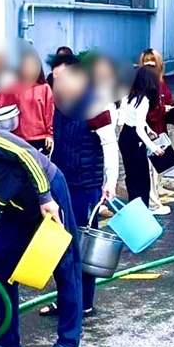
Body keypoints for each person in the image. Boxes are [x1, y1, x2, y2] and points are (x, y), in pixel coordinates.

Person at [0, 126, 86, 347]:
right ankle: (8, 342)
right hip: (14, 206)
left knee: (64, 265)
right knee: (0, 268)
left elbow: (26, 154)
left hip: (45, 192)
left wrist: (46, 197)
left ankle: (69, 345)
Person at [45, 58, 118, 317]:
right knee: (60, 246)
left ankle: (84, 302)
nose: (57, 83)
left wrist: (110, 182)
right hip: (61, 186)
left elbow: (109, 145)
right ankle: (66, 299)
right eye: (54, 79)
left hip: (86, 187)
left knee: (83, 248)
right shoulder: (58, 104)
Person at [0, 48, 54, 152]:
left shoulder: (44, 88)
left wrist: (50, 135)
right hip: (17, 140)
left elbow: (49, 114)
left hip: (39, 140)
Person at [118, 67, 165, 210]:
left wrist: (149, 130)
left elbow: (135, 120)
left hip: (125, 136)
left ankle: (134, 208)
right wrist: (154, 147)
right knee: (142, 179)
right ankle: (142, 210)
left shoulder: (129, 96)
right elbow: (139, 129)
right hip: (135, 139)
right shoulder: (144, 100)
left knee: (131, 176)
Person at [134, 49, 174, 214]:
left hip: (160, 130)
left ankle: (154, 199)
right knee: (150, 169)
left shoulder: (161, 81)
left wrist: (170, 109)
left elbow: (169, 99)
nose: (150, 65)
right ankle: (153, 203)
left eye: (153, 62)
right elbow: (145, 112)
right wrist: (162, 109)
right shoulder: (142, 84)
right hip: (148, 131)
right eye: (146, 62)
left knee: (157, 169)